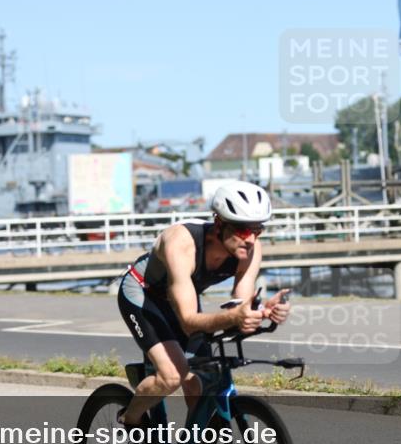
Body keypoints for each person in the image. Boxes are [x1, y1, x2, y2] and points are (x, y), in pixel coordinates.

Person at [117, 181, 291, 426]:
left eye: (257, 230)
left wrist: (262, 312)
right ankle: (130, 419)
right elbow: (188, 322)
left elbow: (239, 305)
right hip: (143, 294)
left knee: (203, 388)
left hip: (181, 298)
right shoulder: (181, 242)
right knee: (171, 375)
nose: (251, 239)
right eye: (243, 230)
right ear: (219, 223)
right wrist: (236, 316)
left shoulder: (250, 250)